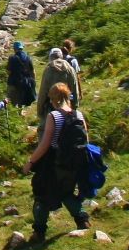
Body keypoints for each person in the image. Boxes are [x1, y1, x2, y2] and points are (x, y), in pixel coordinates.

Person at [23, 82, 89, 241]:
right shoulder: (78, 115)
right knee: (66, 191)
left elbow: (45, 144)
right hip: (74, 161)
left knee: (42, 193)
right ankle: (82, 220)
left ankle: (39, 231)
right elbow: (86, 139)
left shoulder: (54, 116)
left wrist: (31, 162)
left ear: (52, 99)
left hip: (54, 160)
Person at [37, 46, 81, 119]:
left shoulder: (48, 70)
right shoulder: (69, 69)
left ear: (50, 57)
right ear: (61, 56)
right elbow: (75, 88)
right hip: (68, 106)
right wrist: (75, 106)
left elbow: (43, 92)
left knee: (46, 129)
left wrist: (40, 110)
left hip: (52, 107)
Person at [5, 41, 37, 109]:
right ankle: (20, 112)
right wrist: (33, 81)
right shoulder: (28, 57)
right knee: (22, 100)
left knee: (11, 101)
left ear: (14, 49)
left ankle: (13, 115)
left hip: (13, 83)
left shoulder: (12, 58)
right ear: (22, 48)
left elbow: (8, 71)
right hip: (25, 83)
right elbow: (33, 71)